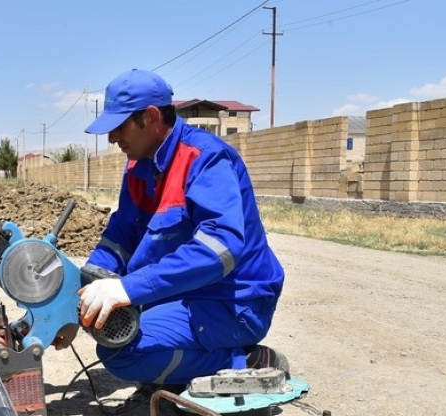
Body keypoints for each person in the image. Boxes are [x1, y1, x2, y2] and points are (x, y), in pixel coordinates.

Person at [77, 69, 288, 394]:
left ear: (150, 117)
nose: (112, 138)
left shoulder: (206, 160)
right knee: (110, 324)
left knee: (119, 350)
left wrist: (129, 288)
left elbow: (221, 247)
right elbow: (121, 237)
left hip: (234, 302)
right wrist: (84, 293)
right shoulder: (138, 167)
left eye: (119, 127)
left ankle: (249, 361)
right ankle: (182, 370)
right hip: (185, 294)